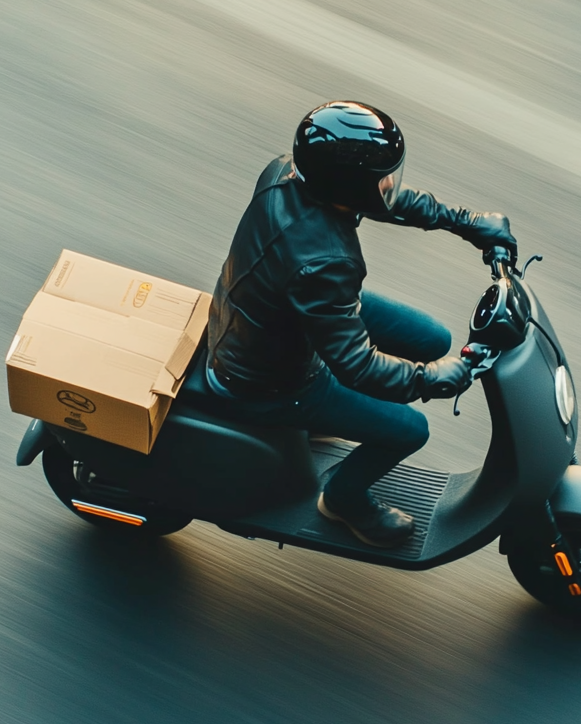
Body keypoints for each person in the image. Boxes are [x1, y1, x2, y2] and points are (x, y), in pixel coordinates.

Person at [205, 101, 517, 548]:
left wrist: (466, 223)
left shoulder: (287, 173)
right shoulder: (326, 263)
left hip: (279, 312)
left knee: (433, 338)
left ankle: (327, 427)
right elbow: (356, 367)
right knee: (410, 429)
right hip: (268, 379)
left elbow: (385, 201)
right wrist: (429, 379)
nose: (391, 183)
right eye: (382, 177)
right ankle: (341, 500)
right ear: (348, 186)